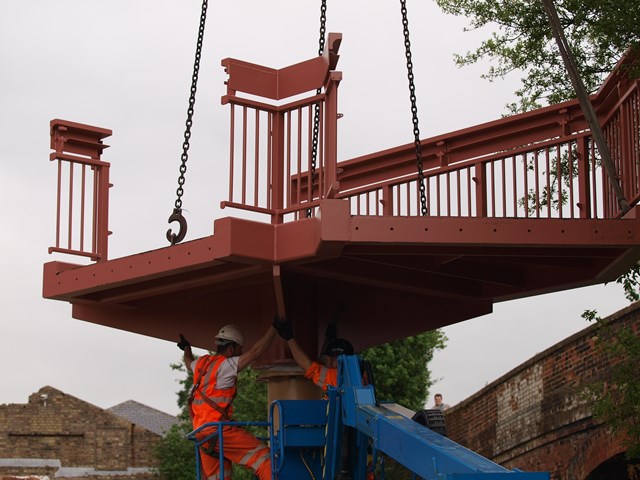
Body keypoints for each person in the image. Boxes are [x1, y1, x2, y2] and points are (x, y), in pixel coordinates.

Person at [177, 323, 277, 480]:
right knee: (266, 460)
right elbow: (256, 351)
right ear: (231, 349)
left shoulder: (202, 364)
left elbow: (189, 363)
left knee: (218, 477)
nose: (241, 353)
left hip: (202, 432)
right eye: (239, 350)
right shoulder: (225, 366)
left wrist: (186, 348)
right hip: (218, 430)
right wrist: (275, 328)